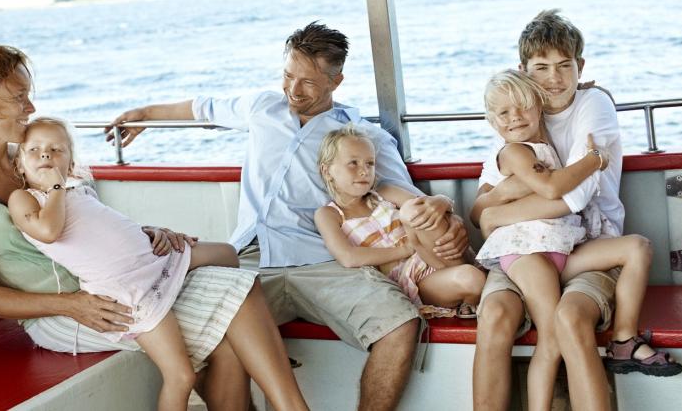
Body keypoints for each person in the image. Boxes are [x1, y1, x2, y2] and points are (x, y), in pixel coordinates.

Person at [106, 22, 471, 410]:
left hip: (325, 263)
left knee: (400, 324)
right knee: (215, 335)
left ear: (336, 81)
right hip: (249, 259)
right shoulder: (262, 107)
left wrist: (447, 209)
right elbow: (202, 107)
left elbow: (410, 198)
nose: (293, 90)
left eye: (308, 82)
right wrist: (143, 113)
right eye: (287, 75)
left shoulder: (361, 136)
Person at [0, 45, 308, 411]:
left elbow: (86, 224)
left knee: (239, 291)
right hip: (62, 312)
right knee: (229, 326)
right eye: (19, 98)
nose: (31, 108)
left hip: (117, 283)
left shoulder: (34, 156)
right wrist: (71, 305)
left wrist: (145, 232)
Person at [8, 116, 308, 410]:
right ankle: (253, 351)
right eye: (34, 150)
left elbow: (106, 229)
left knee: (228, 253)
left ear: (70, 163)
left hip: (153, 259)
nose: (45, 154)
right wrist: (56, 188)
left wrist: (152, 230)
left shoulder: (80, 189)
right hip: (130, 290)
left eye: (56, 149)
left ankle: (257, 348)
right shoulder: (25, 198)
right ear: (20, 163)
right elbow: (49, 231)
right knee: (181, 376)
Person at [471, 10, 681, 411]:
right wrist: (496, 207)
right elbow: (481, 206)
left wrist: (498, 212)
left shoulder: (592, 104)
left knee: (568, 319)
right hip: (525, 247)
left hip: (587, 244)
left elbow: (573, 199)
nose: (553, 78)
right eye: (541, 68)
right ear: (524, 71)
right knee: (495, 314)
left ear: (579, 67)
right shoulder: (517, 118)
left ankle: (619, 346)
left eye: (564, 66)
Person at [315, 124, 484, 318]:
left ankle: (471, 294)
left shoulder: (384, 193)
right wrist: (405, 250)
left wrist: (443, 200)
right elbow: (348, 257)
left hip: (436, 254)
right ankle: (471, 298)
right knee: (472, 278)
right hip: (414, 282)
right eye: (353, 163)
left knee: (412, 210)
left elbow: (428, 208)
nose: (364, 171)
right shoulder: (329, 214)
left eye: (369, 163)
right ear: (327, 171)